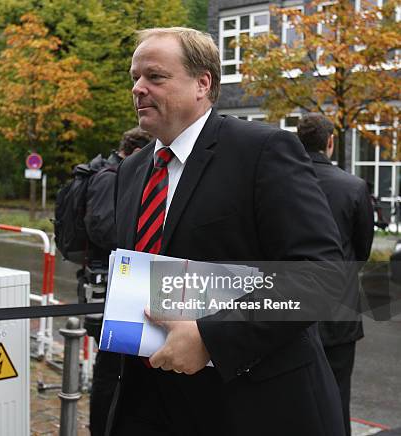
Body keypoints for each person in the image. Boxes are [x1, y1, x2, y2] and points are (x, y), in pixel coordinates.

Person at [108, 27, 346, 436]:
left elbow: (322, 277)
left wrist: (211, 336)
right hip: (150, 403)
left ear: (203, 83)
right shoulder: (132, 170)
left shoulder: (263, 151)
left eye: (155, 77)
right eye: (135, 78)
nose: (139, 89)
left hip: (249, 405)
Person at [297, 113, 374, 436]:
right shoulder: (353, 187)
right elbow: (363, 249)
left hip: (289, 301)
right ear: (330, 142)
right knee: (338, 393)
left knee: (294, 394)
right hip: (339, 304)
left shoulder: (280, 182)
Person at [83, 127, 151, 436]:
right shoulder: (109, 177)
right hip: (107, 283)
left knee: (120, 366)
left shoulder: (117, 174)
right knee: (110, 368)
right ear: (136, 151)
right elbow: (101, 227)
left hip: (121, 282)